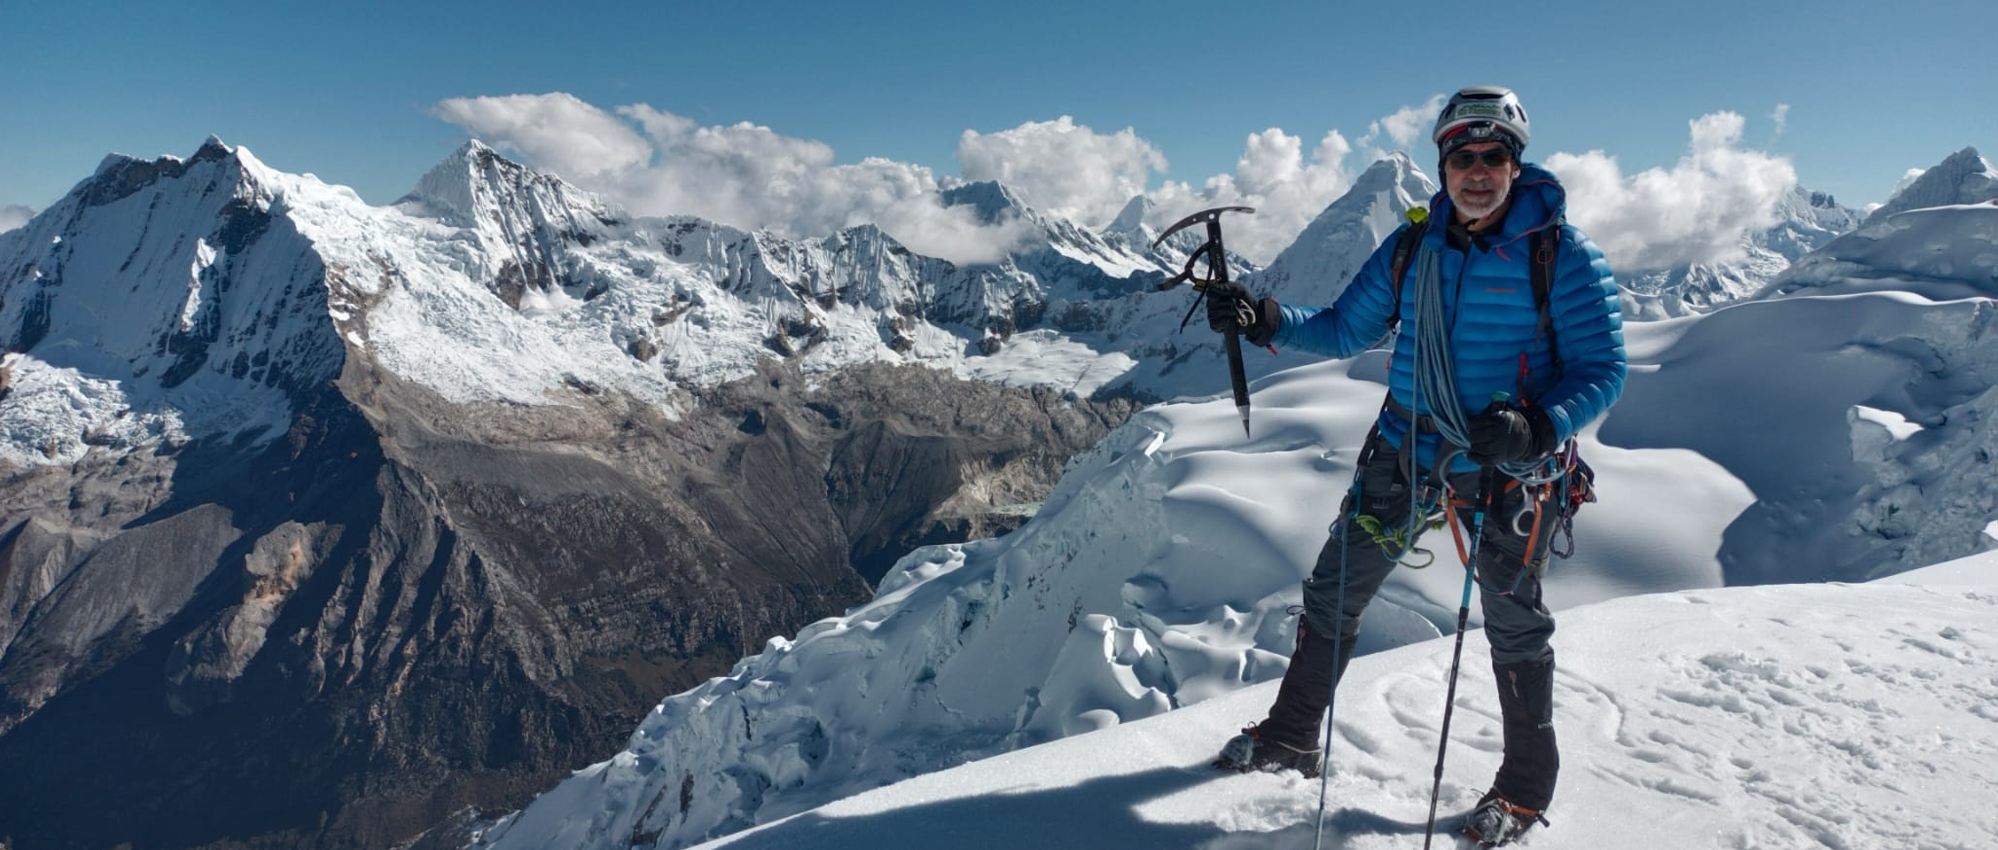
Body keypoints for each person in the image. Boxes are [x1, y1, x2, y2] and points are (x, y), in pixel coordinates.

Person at [1204, 86, 1626, 847]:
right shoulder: (1412, 246)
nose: (1477, 170)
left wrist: (1536, 424)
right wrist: (1265, 319)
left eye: (1493, 155)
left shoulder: (1559, 253)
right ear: (1442, 163)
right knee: (1336, 588)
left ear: (1515, 163)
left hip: (1511, 465)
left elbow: (1604, 367)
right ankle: (1291, 736)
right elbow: (1341, 330)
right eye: (1463, 156)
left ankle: (1526, 790)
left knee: (1512, 621)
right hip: (1409, 442)